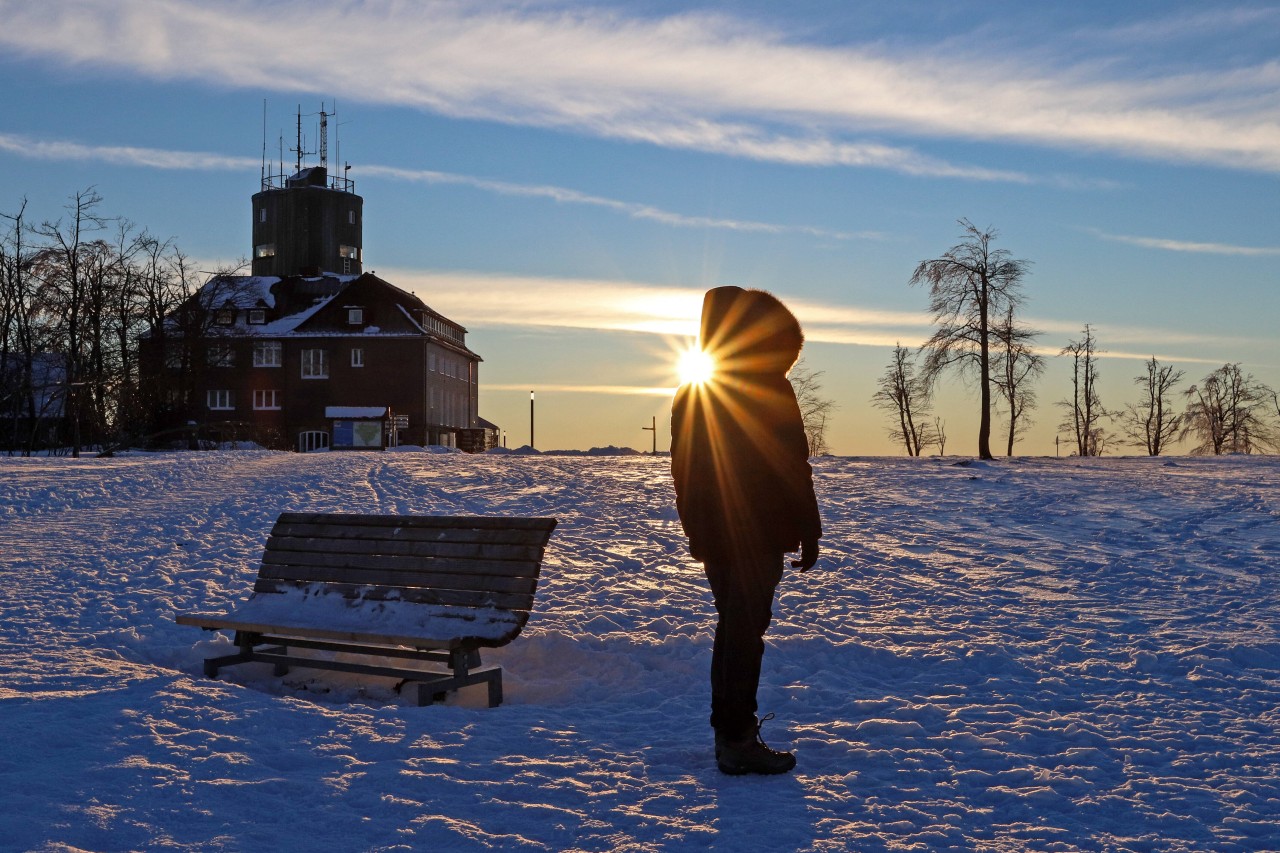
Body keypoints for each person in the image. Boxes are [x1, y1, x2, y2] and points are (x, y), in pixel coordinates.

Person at [671, 286, 822, 775]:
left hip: (720, 533)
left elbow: (685, 470)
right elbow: (790, 467)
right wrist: (807, 528)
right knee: (743, 631)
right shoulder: (766, 388)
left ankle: (730, 734)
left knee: (735, 628)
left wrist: (698, 527)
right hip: (756, 532)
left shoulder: (694, 387)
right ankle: (736, 738)